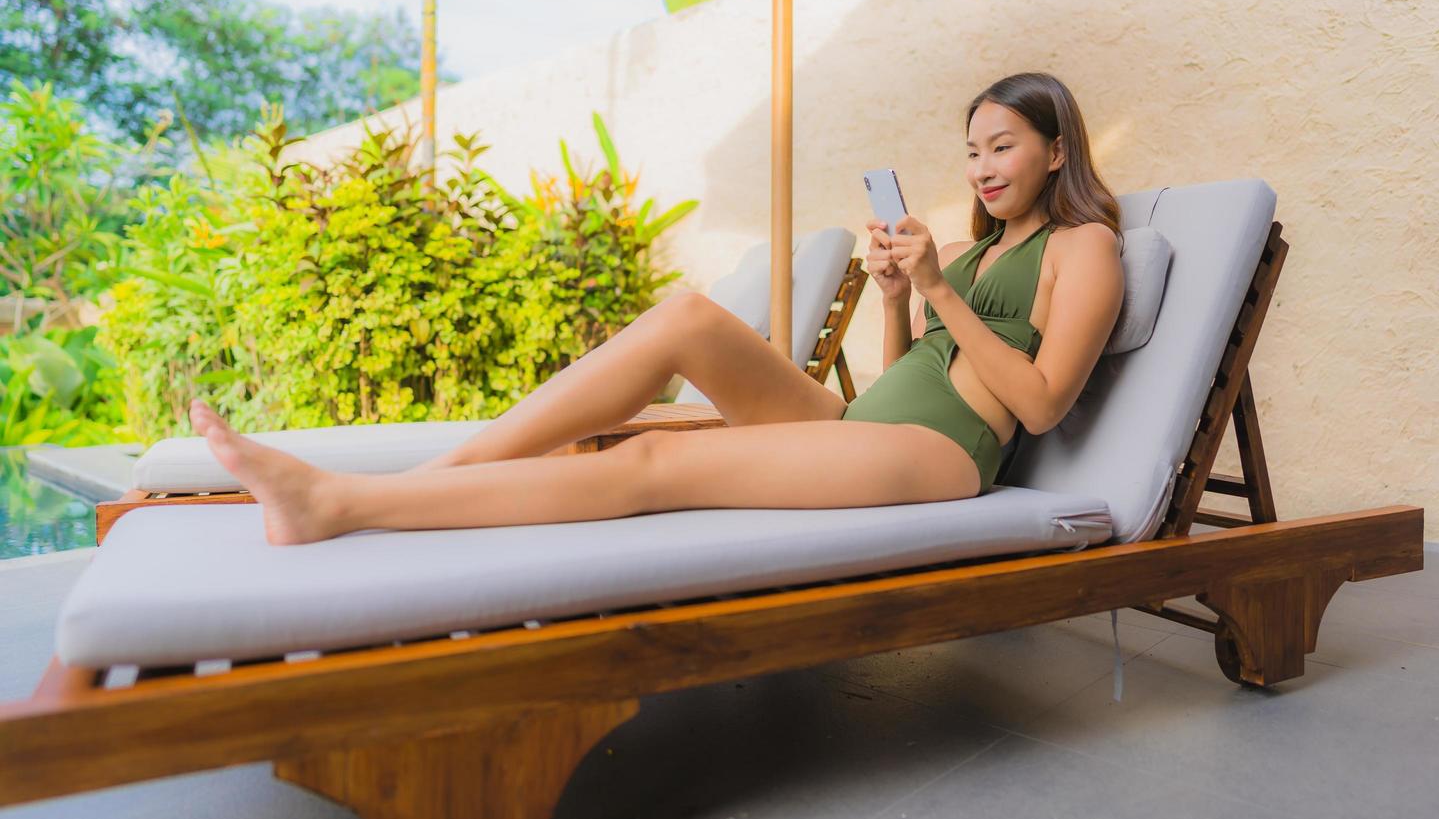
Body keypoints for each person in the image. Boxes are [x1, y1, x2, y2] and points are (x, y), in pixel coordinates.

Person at [187, 71, 1124, 546]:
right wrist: (894, 297)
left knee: (655, 460)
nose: (982, 169)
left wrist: (934, 291)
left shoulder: (1087, 248)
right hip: (863, 422)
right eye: (970, 152)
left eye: (1001, 147)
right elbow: (906, 374)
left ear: (1054, 149)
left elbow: (1040, 404)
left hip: (944, 456)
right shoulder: (967, 251)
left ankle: (342, 504)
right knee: (684, 318)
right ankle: (440, 476)